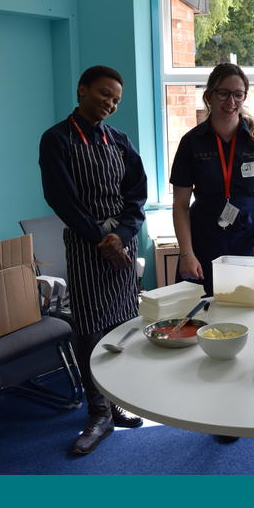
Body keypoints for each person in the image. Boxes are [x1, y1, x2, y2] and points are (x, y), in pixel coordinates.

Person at [39, 65, 147, 455]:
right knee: (89, 328)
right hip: (87, 248)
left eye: (116, 99)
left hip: (123, 243)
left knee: (121, 324)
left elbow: (137, 195)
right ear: (82, 89)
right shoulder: (57, 139)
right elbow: (60, 197)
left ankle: (116, 400)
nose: (110, 103)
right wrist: (101, 239)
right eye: (104, 94)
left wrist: (123, 235)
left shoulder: (119, 141)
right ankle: (98, 411)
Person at [170, 63, 254, 298]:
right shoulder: (192, 142)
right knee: (203, 315)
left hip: (251, 242)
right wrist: (186, 253)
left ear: (244, 97)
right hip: (205, 242)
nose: (231, 102)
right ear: (209, 96)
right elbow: (180, 205)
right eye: (223, 93)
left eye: (237, 94)